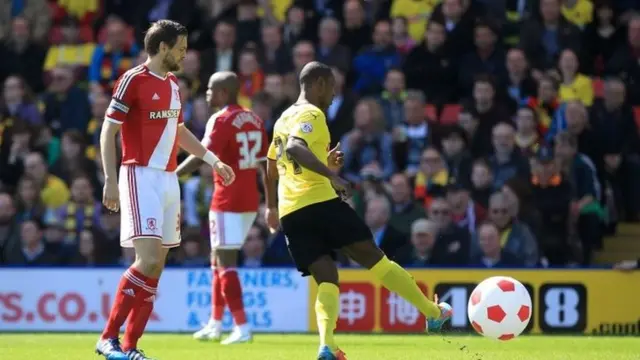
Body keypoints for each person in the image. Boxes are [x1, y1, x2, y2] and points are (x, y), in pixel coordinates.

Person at [263, 61, 452, 360]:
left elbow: (271, 165)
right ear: (319, 84)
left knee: (326, 278)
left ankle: (327, 345)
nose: (335, 95)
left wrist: (271, 206)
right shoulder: (312, 113)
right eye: (333, 87)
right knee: (375, 260)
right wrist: (333, 175)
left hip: (291, 212)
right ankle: (431, 312)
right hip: (320, 202)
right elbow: (296, 148)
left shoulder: (282, 118)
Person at [96, 20, 235, 360]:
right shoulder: (133, 80)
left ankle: (129, 347)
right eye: (181, 49)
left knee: (157, 266)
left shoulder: (173, 83)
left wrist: (213, 159)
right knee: (146, 260)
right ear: (162, 47)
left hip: (169, 179)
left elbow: (179, 129)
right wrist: (111, 180)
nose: (185, 56)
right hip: (139, 174)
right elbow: (107, 131)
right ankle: (107, 338)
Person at [177, 71, 267, 344]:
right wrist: (270, 203)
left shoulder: (221, 119)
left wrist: (172, 175)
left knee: (225, 263)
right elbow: (265, 165)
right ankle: (215, 323)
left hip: (227, 199)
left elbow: (203, 155)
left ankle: (242, 327)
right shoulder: (255, 119)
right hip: (249, 198)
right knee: (217, 261)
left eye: (210, 89)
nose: (206, 94)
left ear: (224, 93)